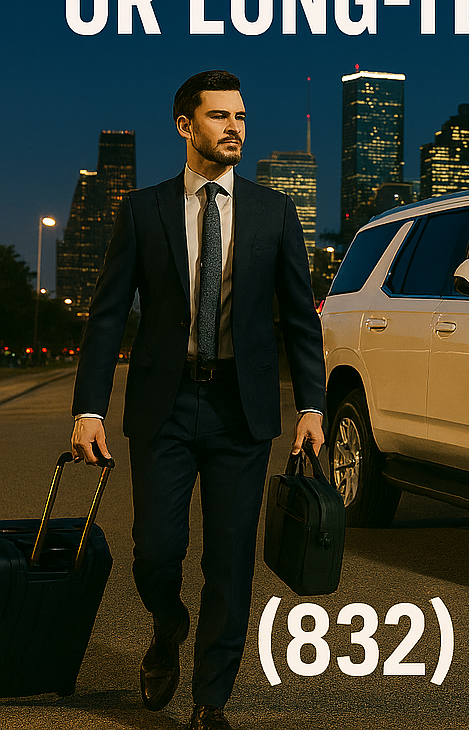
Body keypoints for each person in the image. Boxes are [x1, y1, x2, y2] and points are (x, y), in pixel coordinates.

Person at [71, 70, 326, 730]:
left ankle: (211, 698)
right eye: (219, 116)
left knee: (230, 558)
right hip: (165, 405)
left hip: (241, 411)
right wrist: (89, 408)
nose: (235, 126)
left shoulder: (274, 212)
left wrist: (313, 407)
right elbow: (106, 317)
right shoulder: (142, 210)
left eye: (240, 115)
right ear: (186, 127)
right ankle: (167, 626)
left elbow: (300, 317)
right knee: (156, 550)